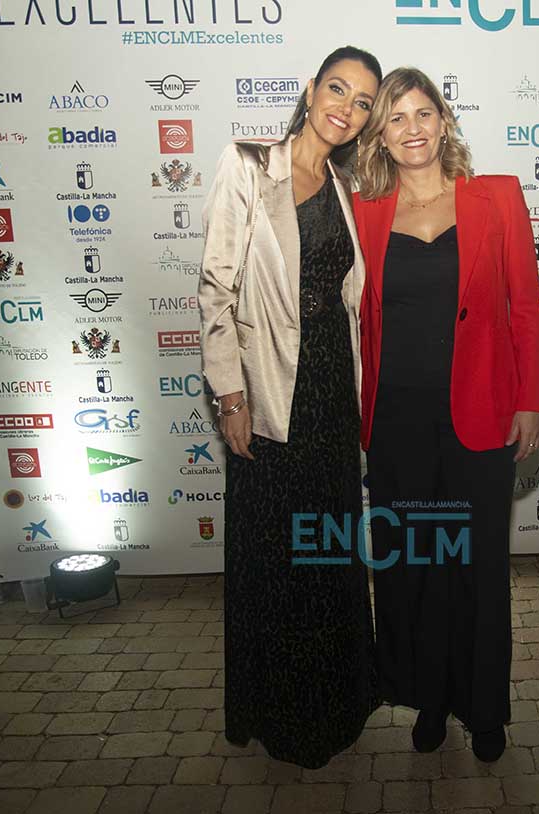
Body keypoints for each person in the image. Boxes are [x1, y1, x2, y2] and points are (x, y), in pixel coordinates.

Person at [351, 68, 539, 762]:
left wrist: (531, 399)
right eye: (395, 117)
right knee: (417, 567)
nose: (412, 128)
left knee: (478, 568)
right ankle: (429, 700)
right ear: (380, 135)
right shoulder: (364, 211)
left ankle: (483, 709)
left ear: (444, 121)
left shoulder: (498, 197)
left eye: (423, 113)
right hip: (396, 421)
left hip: (481, 413)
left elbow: (526, 306)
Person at [198, 46, 382, 769]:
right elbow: (216, 286)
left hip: (332, 390)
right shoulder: (248, 163)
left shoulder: (344, 185)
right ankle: (284, 714)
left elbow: (347, 298)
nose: (346, 107)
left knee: (326, 548)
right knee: (275, 555)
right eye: (337, 88)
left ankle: (336, 703)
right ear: (309, 92)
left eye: (362, 101)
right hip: (271, 390)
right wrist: (230, 394)